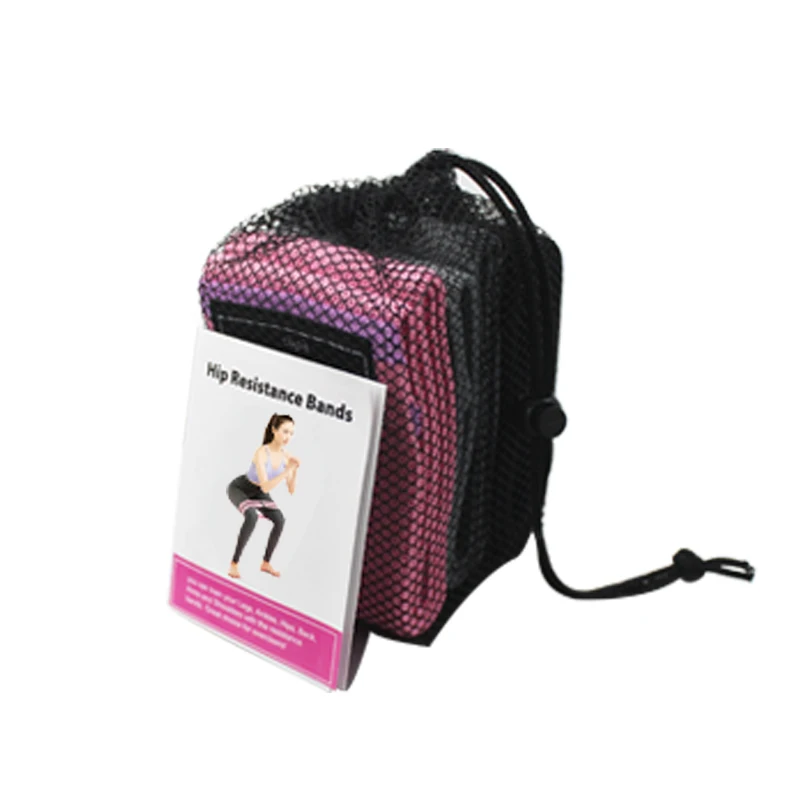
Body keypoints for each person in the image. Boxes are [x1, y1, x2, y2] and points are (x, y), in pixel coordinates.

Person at [225, 413, 301, 579]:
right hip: (241, 488)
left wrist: (294, 470)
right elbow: (266, 486)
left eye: (291, 433)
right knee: (251, 516)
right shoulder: (262, 452)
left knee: (279, 520)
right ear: (274, 430)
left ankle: (266, 563)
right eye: (285, 431)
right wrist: (287, 471)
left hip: (259, 493)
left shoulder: (286, 456)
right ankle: (234, 564)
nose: (288, 437)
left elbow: (291, 489)